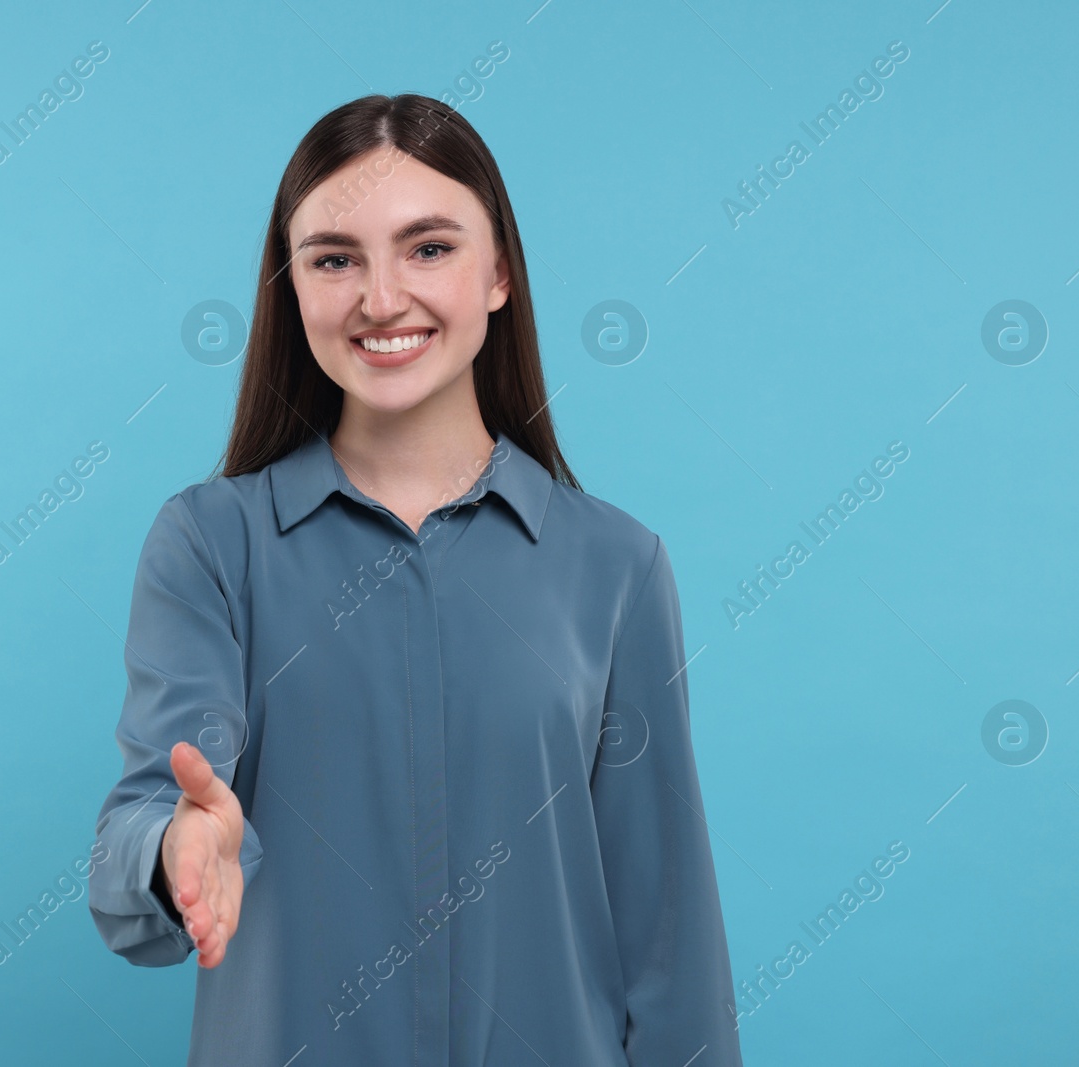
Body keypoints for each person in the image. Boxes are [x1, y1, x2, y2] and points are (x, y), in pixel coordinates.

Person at [89, 93, 743, 1066]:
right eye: (334, 257)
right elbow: (148, 816)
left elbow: (669, 937)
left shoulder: (617, 566)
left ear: (499, 273)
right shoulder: (210, 546)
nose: (381, 298)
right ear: (292, 285)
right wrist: (177, 849)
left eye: (428, 247)